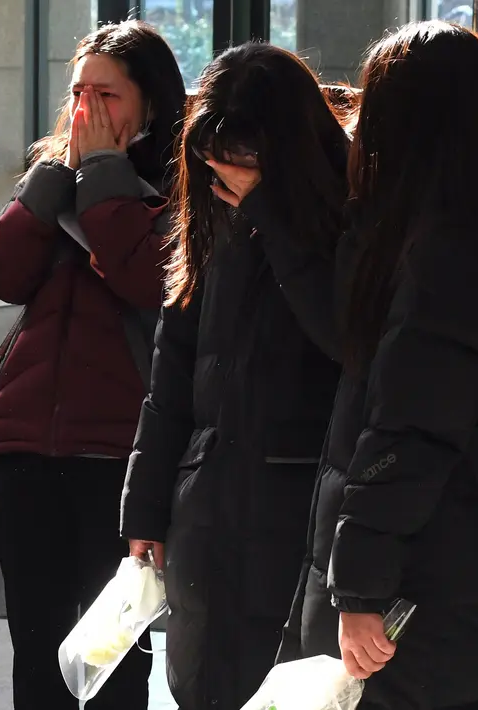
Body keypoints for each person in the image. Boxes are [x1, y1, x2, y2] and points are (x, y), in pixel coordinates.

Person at [282, 21, 478, 709]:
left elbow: (410, 429)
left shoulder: (449, 257)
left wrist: (361, 588)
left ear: (408, 124)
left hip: (423, 582)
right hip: (475, 566)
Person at [0, 20, 185, 710]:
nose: (87, 110)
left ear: (150, 105)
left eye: (108, 95)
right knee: (37, 648)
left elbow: (149, 280)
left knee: (112, 653)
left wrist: (103, 177)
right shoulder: (52, 175)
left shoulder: (179, 192)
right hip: (28, 448)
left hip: (119, 458)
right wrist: (49, 185)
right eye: (78, 91)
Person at [120, 43, 347, 710]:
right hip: (208, 502)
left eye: (245, 154)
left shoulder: (342, 215)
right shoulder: (206, 216)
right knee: (201, 680)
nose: (227, 170)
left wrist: (270, 218)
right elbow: (172, 375)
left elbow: (342, 335)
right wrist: (146, 505)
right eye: (215, 151)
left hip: (297, 510)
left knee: (283, 685)